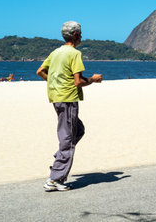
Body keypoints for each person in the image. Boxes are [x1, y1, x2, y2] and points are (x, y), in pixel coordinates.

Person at [36, 21, 103, 192]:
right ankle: (55, 179)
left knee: (78, 130)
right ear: (75, 35)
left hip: (57, 97)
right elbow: (78, 82)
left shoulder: (56, 52)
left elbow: (40, 71)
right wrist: (94, 80)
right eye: (80, 33)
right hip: (67, 98)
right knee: (67, 138)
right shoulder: (74, 53)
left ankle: (60, 158)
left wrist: (55, 84)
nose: (81, 36)